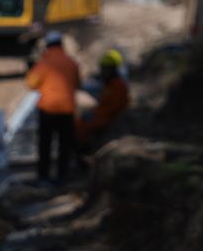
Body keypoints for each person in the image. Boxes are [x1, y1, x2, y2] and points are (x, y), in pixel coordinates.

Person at [26, 31, 81, 184]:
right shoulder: (71, 62)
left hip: (48, 110)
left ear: (48, 45)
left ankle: (43, 177)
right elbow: (77, 83)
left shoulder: (43, 64)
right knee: (65, 146)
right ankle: (62, 177)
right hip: (67, 110)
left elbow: (31, 84)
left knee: (45, 145)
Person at [77, 49, 130, 147]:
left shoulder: (117, 86)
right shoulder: (110, 85)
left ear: (113, 69)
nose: (103, 72)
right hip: (102, 115)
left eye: (105, 69)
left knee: (82, 126)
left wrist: (95, 114)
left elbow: (113, 108)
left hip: (106, 118)